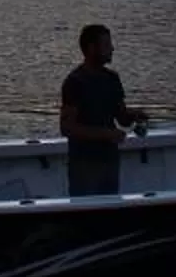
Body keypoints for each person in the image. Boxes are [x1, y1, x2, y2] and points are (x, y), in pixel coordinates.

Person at [59, 23, 145, 198]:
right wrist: (107, 134)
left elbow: (121, 117)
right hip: (84, 165)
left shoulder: (112, 79)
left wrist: (134, 115)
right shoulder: (75, 82)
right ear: (92, 48)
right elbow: (67, 128)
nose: (112, 49)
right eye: (106, 45)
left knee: (111, 208)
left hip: (110, 160)